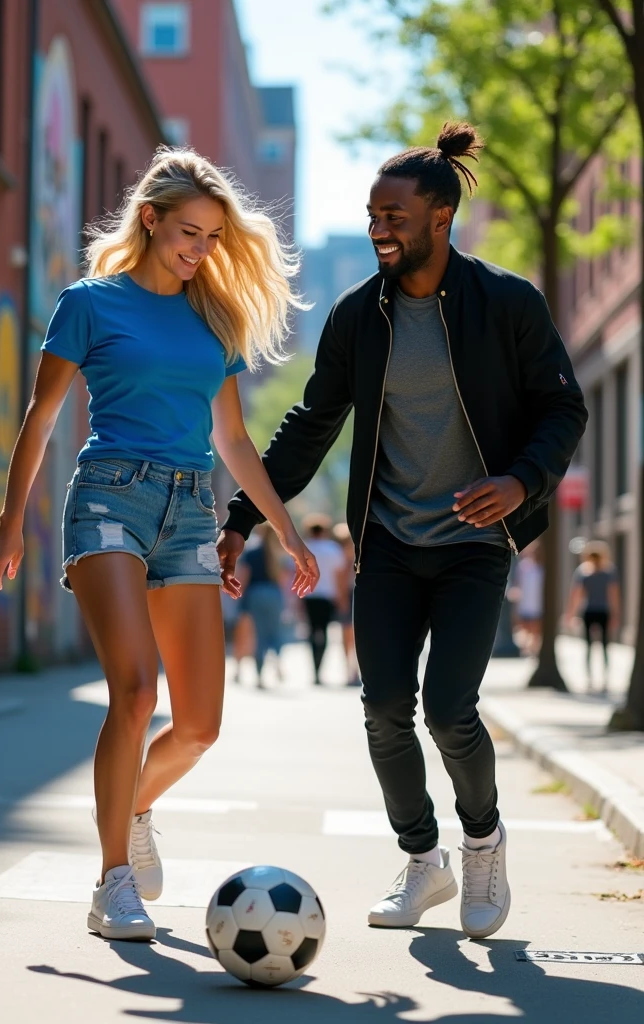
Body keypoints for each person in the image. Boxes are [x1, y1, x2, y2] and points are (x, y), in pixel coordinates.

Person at [217, 122, 587, 938]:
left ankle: (483, 842)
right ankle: (424, 861)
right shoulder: (361, 317)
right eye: (373, 214)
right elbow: (311, 424)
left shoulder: (508, 303)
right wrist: (243, 518)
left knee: (451, 709)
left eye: (394, 215)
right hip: (386, 544)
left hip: (472, 548)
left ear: (440, 217)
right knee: (384, 703)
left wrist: (520, 480)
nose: (380, 227)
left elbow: (565, 406)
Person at [0, 147, 319, 943]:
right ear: (151, 219)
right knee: (134, 692)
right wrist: (9, 520)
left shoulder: (215, 319)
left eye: (210, 238)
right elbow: (42, 416)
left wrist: (285, 527)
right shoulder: (90, 303)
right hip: (109, 500)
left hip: (191, 514)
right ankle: (112, 884)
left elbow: (233, 440)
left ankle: (130, 807)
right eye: (188, 233)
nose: (199, 250)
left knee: (199, 726)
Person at [566, 541, 621, 693]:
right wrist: (615, 615)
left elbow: (576, 595)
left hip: (590, 610)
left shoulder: (584, 572)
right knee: (603, 646)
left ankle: (591, 680)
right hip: (602, 611)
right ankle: (604, 680)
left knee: (590, 646)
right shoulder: (608, 571)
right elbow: (614, 595)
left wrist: (571, 614)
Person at [238, 524, 289, 686]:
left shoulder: (252, 552)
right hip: (274, 593)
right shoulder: (278, 553)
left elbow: (244, 576)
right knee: (275, 631)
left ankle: (259, 675)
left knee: (258, 634)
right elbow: (283, 579)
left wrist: (241, 597)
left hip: (256, 593)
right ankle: (277, 659)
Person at [300, 514, 345, 685]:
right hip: (327, 596)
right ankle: (320, 667)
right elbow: (339, 577)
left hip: (309, 595)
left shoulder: (305, 548)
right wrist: (341, 598)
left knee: (312, 631)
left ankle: (314, 668)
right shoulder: (333, 549)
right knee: (324, 632)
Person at [333, 522, 359, 685]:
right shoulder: (344, 558)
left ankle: (352, 669)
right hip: (351, 596)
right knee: (350, 636)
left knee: (351, 636)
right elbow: (341, 583)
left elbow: (340, 583)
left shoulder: (349, 557)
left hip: (353, 596)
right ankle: (351, 669)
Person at [512, 542, 544, 656]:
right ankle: (526, 647)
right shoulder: (523, 566)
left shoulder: (542, 567)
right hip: (525, 600)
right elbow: (518, 582)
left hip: (537, 601)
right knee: (524, 625)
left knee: (536, 626)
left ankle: (534, 648)